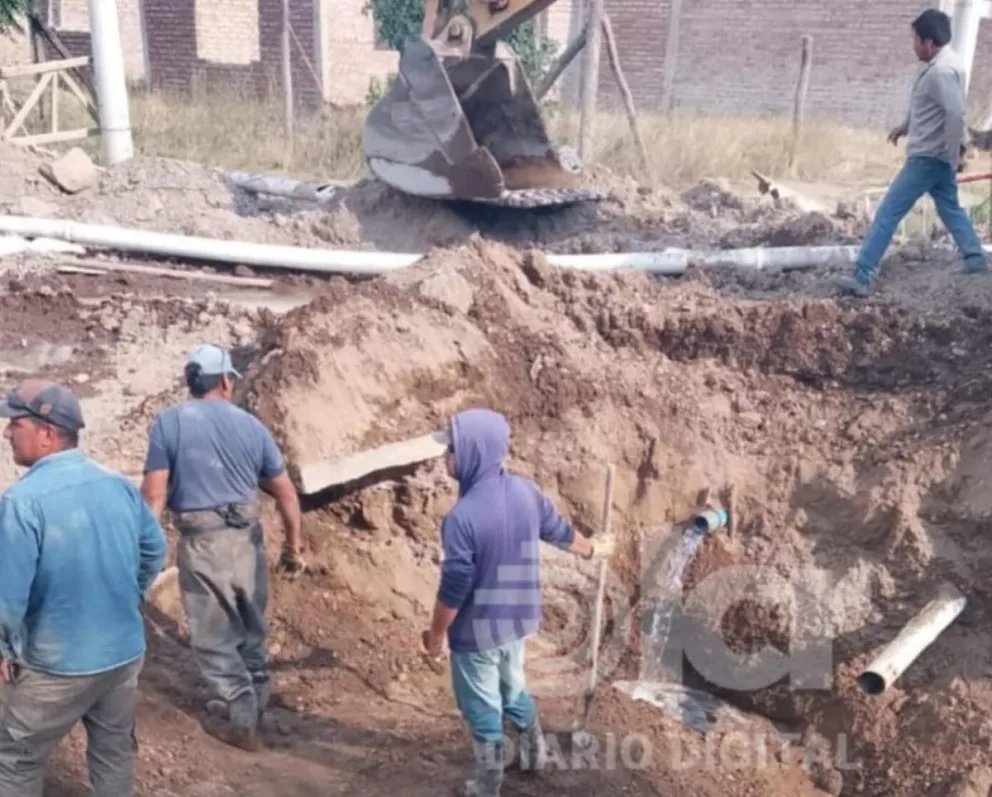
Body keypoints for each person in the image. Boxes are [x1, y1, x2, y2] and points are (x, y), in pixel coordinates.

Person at [421, 408, 614, 797]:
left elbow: (455, 586)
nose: (446, 456)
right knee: (513, 690)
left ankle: (487, 785)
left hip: (476, 635)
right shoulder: (527, 492)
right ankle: (534, 753)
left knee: (483, 711)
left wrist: (436, 635)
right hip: (517, 623)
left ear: (473, 452)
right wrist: (593, 549)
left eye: (452, 449)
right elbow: (559, 532)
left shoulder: (461, 518)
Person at [0, 380, 167, 797]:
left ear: (47, 433)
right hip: (122, 653)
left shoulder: (22, 501)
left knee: (16, 761)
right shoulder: (117, 485)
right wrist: (130, 596)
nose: (6, 433)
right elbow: (155, 549)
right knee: (113, 755)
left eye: (15, 424)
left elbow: (8, 594)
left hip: (58, 665)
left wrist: (4, 647)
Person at [140, 344, 304, 753]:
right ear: (227, 382)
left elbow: (154, 494)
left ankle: (241, 708)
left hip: (203, 541)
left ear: (191, 381)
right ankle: (254, 698)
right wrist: (293, 546)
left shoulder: (169, 423)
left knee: (213, 633)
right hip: (247, 538)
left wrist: (143, 551)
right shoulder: (252, 426)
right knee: (250, 622)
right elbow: (285, 492)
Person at [835, 8, 988, 298]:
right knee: (950, 208)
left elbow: (955, 114)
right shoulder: (948, 63)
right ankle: (974, 258)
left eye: (915, 40)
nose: (913, 45)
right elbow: (929, 105)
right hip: (937, 158)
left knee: (888, 212)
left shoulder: (941, 72)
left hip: (927, 158)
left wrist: (955, 154)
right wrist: (905, 126)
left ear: (929, 42)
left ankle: (863, 275)